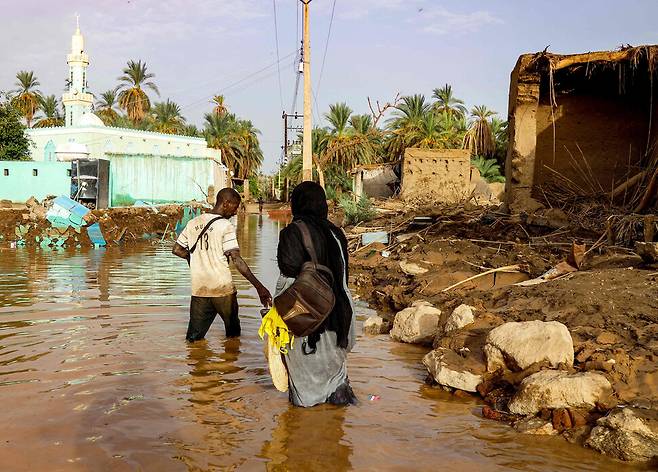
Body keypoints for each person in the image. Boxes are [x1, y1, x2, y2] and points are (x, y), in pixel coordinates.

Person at [275, 181, 357, 407]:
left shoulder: (293, 231)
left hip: (307, 318)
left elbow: (289, 269)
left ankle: (305, 429)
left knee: (305, 387)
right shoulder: (337, 233)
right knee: (335, 376)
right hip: (340, 316)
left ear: (296, 205)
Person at [173, 187, 272, 342]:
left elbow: (177, 249)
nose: (235, 211)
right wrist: (259, 287)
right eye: (235, 206)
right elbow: (236, 259)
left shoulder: (193, 222)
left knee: (193, 339)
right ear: (226, 203)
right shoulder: (225, 226)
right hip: (223, 290)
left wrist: (196, 262)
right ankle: (231, 364)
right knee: (233, 336)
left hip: (200, 289)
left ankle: (196, 364)